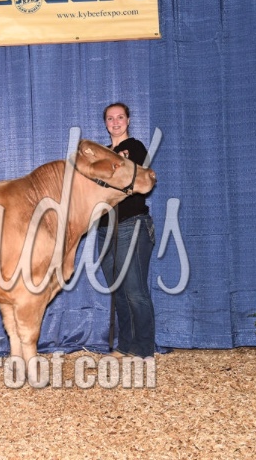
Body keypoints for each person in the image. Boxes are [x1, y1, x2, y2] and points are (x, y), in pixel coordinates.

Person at [96, 102, 156, 358]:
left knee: (134, 291)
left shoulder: (136, 148)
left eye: (120, 117)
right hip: (104, 228)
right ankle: (125, 344)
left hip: (132, 223)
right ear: (106, 123)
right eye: (111, 118)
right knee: (118, 290)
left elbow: (135, 181)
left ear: (128, 120)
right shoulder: (99, 154)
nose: (116, 122)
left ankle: (143, 349)